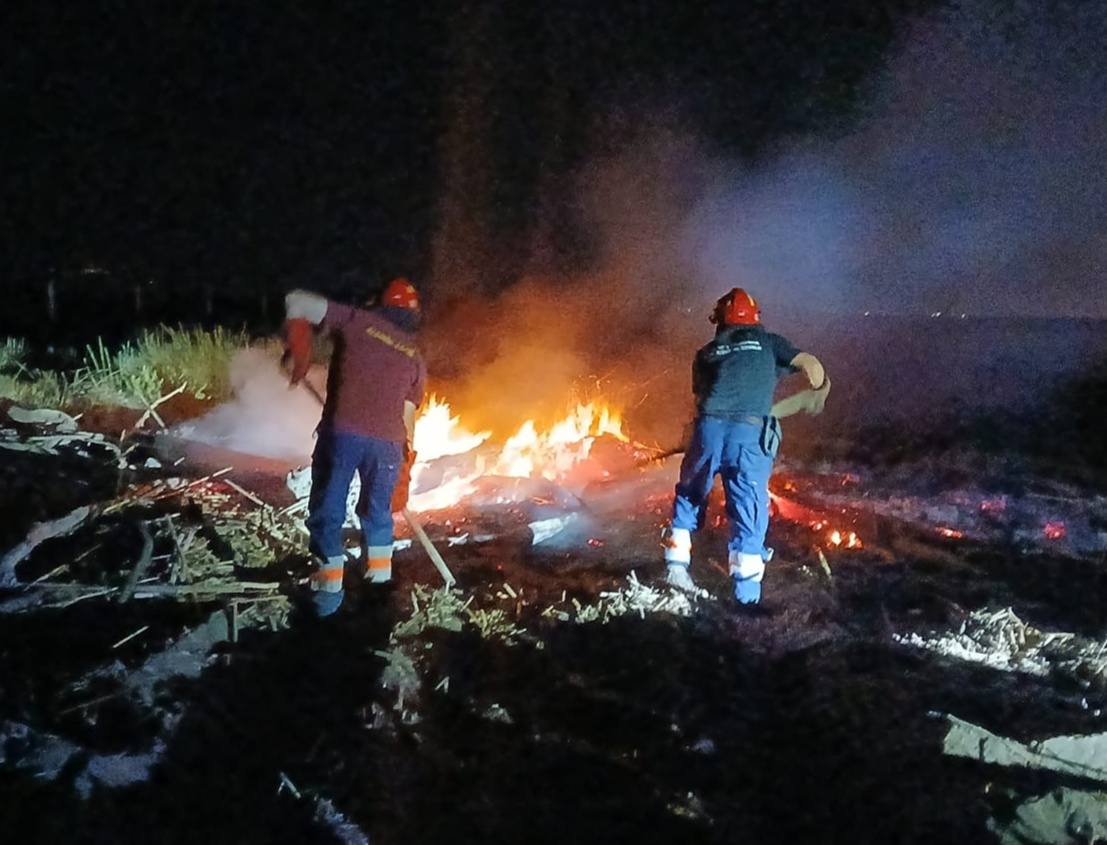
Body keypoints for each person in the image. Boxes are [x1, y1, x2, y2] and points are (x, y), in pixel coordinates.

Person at [663, 287, 829, 605]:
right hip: (747, 435)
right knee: (748, 508)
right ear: (756, 318)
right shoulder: (769, 342)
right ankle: (746, 596)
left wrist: (696, 441)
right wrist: (819, 388)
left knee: (690, 493)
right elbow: (811, 365)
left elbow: (700, 399)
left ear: (719, 320)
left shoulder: (707, 352)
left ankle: (675, 570)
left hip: (708, 430)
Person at [284, 277, 426, 616]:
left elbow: (296, 299)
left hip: (344, 436)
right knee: (378, 516)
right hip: (390, 445)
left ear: (382, 305)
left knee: (328, 514)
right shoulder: (415, 354)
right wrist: (404, 465)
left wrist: (300, 355)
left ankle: (327, 598)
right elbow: (408, 419)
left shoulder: (358, 321)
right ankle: (377, 595)